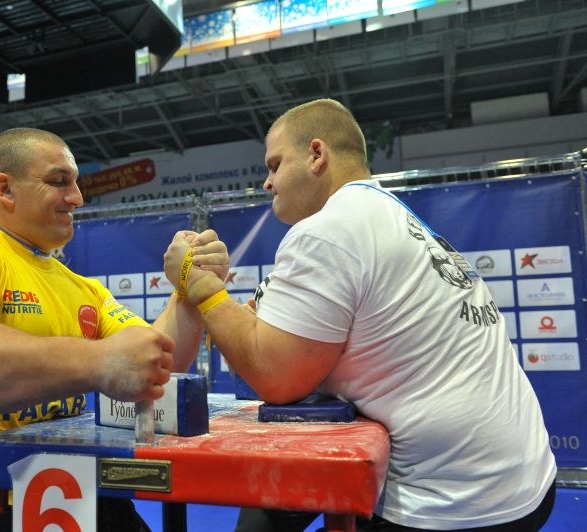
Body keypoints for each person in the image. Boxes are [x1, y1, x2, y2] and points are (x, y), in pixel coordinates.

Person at [164, 99, 557, 531]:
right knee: (271, 510)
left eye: (275, 165)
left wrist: (200, 284)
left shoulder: (329, 229)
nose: (267, 182)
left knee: (268, 511)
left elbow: (276, 379)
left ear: (317, 155)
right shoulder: (391, 215)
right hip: (526, 481)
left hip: (452, 504)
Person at [0, 127, 229, 532]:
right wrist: (100, 362)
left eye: (77, 183)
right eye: (59, 181)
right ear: (5, 189)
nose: (77, 198)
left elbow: (158, 359)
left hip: (76, 504)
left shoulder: (82, 288)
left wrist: (189, 290)